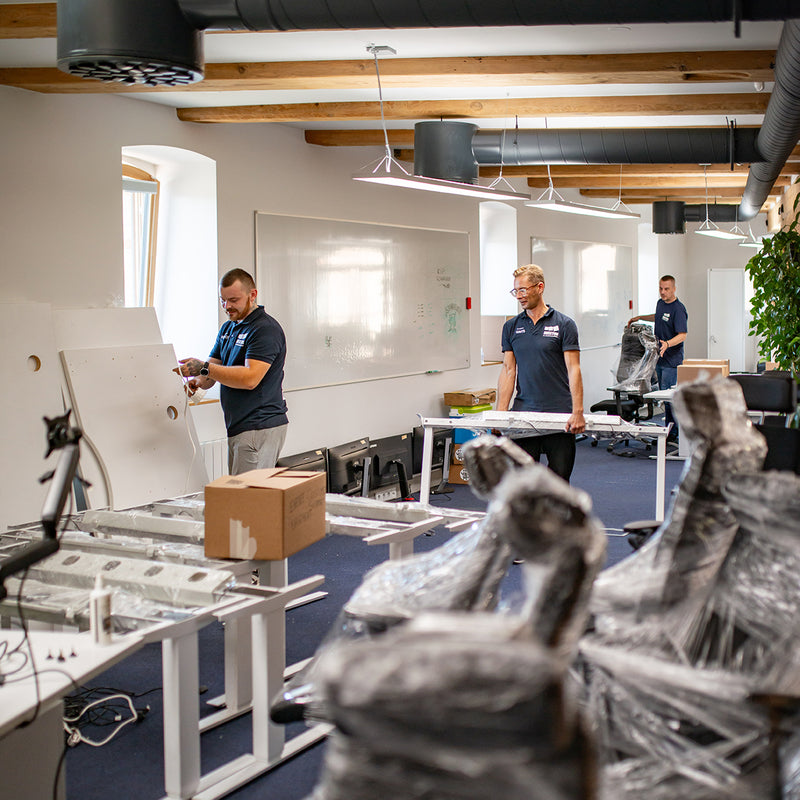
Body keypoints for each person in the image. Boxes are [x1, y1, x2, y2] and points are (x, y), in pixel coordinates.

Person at [179, 268, 289, 475]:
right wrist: (197, 383)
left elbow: (250, 378)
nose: (226, 306)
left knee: (247, 498)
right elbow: (211, 371)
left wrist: (204, 367)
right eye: (222, 300)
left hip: (259, 425)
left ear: (252, 295)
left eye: (233, 300)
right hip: (239, 426)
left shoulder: (264, 329)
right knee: (240, 492)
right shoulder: (228, 328)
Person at [497, 264, 585, 482]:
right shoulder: (511, 327)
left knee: (559, 483)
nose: (519, 296)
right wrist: (499, 413)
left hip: (559, 413)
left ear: (540, 287)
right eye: (516, 291)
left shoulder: (564, 324)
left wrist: (578, 411)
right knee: (524, 485)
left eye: (524, 290)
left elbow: (574, 368)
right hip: (524, 414)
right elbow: (509, 370)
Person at [628, 274, 688, 442]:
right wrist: (640, 317)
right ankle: (669, 429)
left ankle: (674, 432)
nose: (663, 292)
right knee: (664, 397)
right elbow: (658, 316)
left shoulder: (679, 309)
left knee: (671, 399)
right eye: (661, 289)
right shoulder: (661, 303)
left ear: (674, 289)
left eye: (666, 289)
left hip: (672, 360)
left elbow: (682, 335)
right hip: (659, 358)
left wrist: (668, 344)